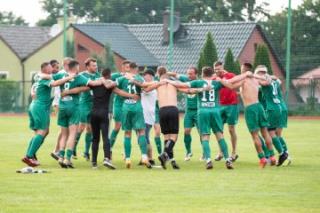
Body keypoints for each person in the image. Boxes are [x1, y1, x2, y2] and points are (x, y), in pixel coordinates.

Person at [167, 67, 246, 169]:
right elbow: (232, 84)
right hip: (215, 110)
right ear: (212, 73)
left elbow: (181, 85)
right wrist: (244, 79)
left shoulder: (197, 82)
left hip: (203, 111)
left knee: (205, 136)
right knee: (220, 135)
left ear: (202, 74)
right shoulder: (217, 83)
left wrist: (166, 81)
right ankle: (227, 159)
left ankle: (208, 160)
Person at [60, 68, 139, 169]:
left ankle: (94, 162)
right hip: (103, 113)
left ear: (102, 74)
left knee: (95, 138)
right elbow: (120, 92)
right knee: (105, 137)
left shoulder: (94, 84)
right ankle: (107, 159)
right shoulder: (110, 85)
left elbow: (80, 89)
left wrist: (67, 92)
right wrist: (132, 95)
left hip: (94, 113)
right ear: (109, 75)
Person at [22, 62, 75, 167]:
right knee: (42, 132)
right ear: (46, 69)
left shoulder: (39, 76)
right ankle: (29, 156)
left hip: (34, 106)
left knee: (43, 132)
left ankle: (30, 155)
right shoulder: (45, 78)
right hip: (40, 107)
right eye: (51, 68)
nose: (53, 70)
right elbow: (54, 84)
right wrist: (67, 79)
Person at [53, 60, 103, 168]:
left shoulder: (61, 75)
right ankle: (67, 159)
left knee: (64, 134)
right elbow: (93, 84)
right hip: (73, 107)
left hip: (62, 107)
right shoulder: (78, 76)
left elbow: (51, 80)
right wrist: (104, 80)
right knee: (72, 134)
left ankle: (60, 157)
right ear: (76, 67)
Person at [234, 62, 277, 168]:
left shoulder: (243, 79)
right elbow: (268, 81)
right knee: (265, 132)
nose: (241, 70)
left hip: (250, 108)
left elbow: (231, 85)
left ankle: (262, 158)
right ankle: (272, 157)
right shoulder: (256, 79)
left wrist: (222, 81)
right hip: (259, 106)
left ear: (244, 70)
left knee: (254, 135)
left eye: (241, 69)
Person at [254, 65, 288, 166]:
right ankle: (283, 152)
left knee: (269, 132)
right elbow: (279, 81)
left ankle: (282, 153)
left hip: (271, 108)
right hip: (281, 107)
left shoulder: (263, 82)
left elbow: (259, 86)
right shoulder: (275, 81)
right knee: (275, 133)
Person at [168, 67, 200, 161]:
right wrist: (165, 73)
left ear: (196, 74)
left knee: (201, 133)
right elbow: (175, 74)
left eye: (191, 74)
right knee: (186, 131)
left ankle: (204, 154)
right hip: (189, 111)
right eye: (188, 73)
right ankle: (188, 152)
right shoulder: (186, 80)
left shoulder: (199, 82)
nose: (189, 75)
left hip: (198, 111)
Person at [73, 58, 101, 160]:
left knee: (90, 129)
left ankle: (86, 152)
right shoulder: (82, 75)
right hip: (84, 104)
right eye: (93, 65)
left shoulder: (98, 75)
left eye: (96, 65)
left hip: (94, 105)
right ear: (88, 66)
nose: (96, 67)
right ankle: (73, 148)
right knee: (81, 127)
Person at [213, 61, 240, 162]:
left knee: (231, 129)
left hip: (232, 105)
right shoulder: (214, 78)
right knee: (219, 130)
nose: (217, 71)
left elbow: (234, 85)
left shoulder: (230, 75)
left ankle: (233, 153)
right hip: (219, 106)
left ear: (222, 68)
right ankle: (221, 152)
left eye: (219, 69)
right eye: (215, 69)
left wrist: (222, 78)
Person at [50, 57, 72, 161]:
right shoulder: (63, 74)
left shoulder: (62, 73)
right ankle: (58, 151)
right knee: (65, 130)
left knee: (64, 129)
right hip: (61, 103)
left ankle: (57, 150)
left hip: (60, 103)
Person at [109, 60, 131, 152]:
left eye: (130, 67)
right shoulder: (116, 76)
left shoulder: (132, 77)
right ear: (122, 67)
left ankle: (127, 154)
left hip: (129, 105)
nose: (128, 69)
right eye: (127, 67)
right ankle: (109, 148)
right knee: (117, 127)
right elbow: (107, 80)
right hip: (118, 105)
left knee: (128, 129)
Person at [140, 69, 159, 165]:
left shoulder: (151, 87)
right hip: (144, 115)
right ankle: (144, 157)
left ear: (151, 76)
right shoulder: (151, 85)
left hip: (147, 116)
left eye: (145, 75)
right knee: (142, 137)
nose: (144, 77)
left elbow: (143, 89)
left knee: (145, 137)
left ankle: (150, 158)